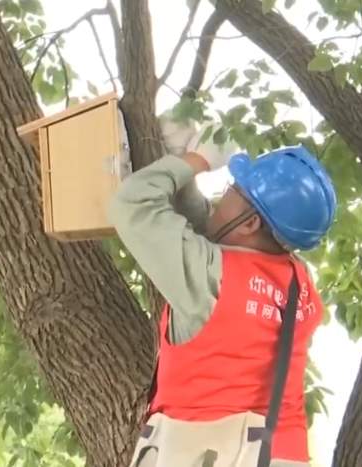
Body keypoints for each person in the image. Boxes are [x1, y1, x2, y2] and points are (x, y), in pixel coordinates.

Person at [108, 115, 336, 467]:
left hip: (203, 449)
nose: (220, 197)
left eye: (231, 191)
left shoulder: (210, 276)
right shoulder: (299, 282)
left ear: (250, 223)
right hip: (280, 454)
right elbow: (216, 245)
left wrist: (195, 162)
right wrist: (182, 179)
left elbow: (132, 204)